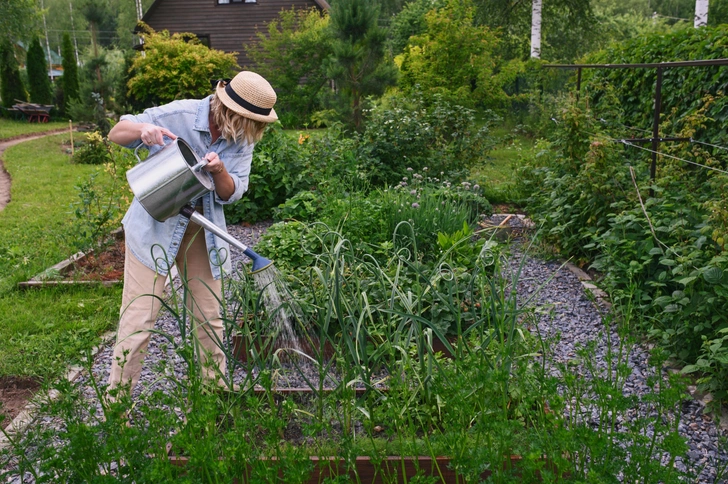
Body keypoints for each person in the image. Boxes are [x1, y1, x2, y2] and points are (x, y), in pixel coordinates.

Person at [107, 71, 277, 394]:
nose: (250, 133)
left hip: (202, 228)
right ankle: (117, 413)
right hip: (154, 225)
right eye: (248, 123)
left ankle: (213, 402)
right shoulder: (180, 115)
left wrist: (220, 170)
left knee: (209, 319)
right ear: (230, 111)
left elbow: (231, 192)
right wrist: (144, 130)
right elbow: (117, 132)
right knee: (138, 321)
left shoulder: (243, 140)